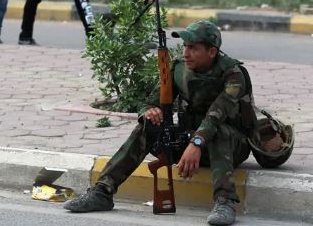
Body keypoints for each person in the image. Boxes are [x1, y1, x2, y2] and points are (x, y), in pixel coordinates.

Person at [64, 20, 253, 226]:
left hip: (231, 146)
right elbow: (149, 102)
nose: (186, 52)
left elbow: (217, 113)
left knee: (219, 132)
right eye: (185, 46)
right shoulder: (179, 69)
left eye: (193, 48)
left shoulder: (234, 74)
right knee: (148, 125)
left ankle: (225, 202)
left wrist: (196, 142)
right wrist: (149, 111)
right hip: (191, 142)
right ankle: (102, 191)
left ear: (212, 52)